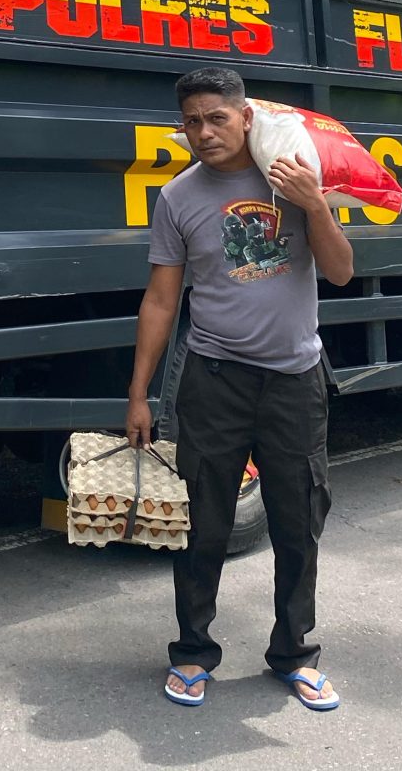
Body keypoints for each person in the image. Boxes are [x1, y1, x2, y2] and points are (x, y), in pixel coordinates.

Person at [124, 66, 353, 713]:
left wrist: (313, 203)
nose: (204, 131)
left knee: (299, 520)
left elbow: (339, 272)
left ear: (245, 116)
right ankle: (193, 652)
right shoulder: (177, 198)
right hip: (214, 380)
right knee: (203, 524)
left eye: (216, 118)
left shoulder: (293, 173)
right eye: (192, 121)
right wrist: (139, 393)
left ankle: (295, 654)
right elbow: (162, 300)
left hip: (295, 380)